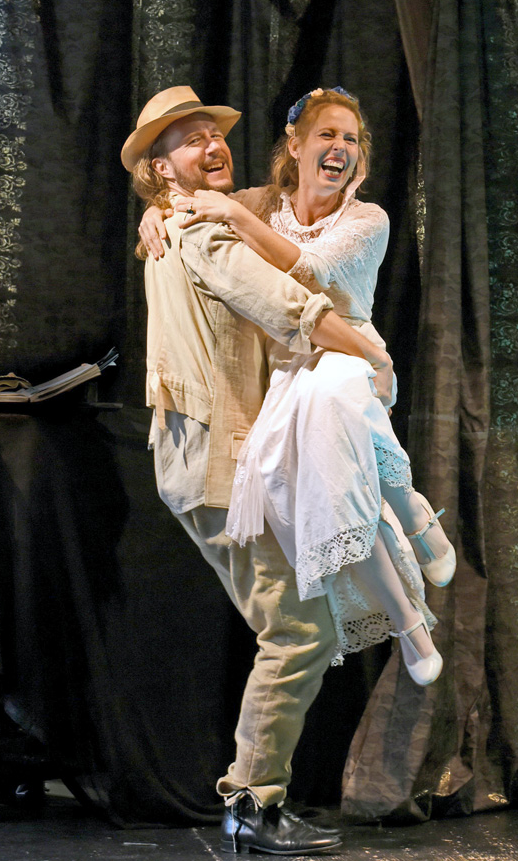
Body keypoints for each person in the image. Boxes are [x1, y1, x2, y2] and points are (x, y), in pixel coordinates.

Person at [121, 86, 397, 855]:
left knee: (304, 619)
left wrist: (162, 209)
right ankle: (252, 805)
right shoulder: (200, 228)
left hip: (242, 453)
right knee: (299, 629)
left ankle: (255, 799)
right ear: (159, 168)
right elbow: (287, 303)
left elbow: (272, 241)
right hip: (216, 457)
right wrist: (371, 351)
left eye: (215, 134)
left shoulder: (211, 213)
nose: (213, 145)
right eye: (190, 140)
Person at [140, 87, 456, 683]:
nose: (339, 148)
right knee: (322, 498)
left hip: (343, 349)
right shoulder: (264, 202)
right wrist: (158, 207)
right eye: (327, 136)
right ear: (296, 144)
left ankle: (414, 518)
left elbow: (310, 275)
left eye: (351, 139)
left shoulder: (367, 217)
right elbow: (194, 200)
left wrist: (372, 356)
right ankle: (407, 617)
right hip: (290, 369)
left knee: (336, 408)